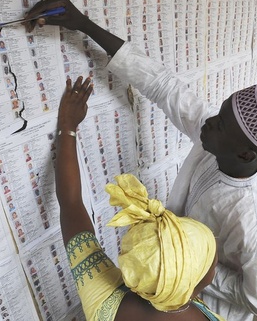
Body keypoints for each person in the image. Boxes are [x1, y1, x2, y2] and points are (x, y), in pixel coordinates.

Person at [27, 0, 257, 321]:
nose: (209, 120)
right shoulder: (218, 137)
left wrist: (195, 272)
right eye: (220, 111)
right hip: (177, 293)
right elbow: (163, 86)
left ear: (245, 152)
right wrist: (84, 25)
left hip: (207, 303)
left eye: (220, 123)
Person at [54, 76, 222, 321]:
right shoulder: (194, 309)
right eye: (211, 259)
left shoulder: (101, 297)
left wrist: (67, 126)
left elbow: (71, 205)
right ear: (191, 283)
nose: (215, 263)